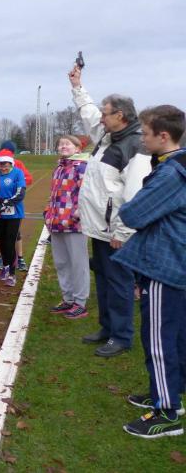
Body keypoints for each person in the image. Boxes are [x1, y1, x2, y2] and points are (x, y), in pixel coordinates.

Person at [108, 105, 186, 438]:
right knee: (176, 336)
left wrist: (130, 207)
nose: (142, 138)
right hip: (175, 262)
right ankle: (170, 393)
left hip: (165, 265)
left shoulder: (171, 173)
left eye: (146, 133)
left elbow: (133, 214)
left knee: (158, 338)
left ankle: (166, 411)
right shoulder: (175, 165)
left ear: (163, 136)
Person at [69, 63, 151, 357]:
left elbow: (135, 195)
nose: (101, 118)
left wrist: (122, 231)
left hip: (116, 232)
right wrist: (78, 87)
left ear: (121, 116)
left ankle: (121, 336)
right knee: (104, 279)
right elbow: (89, 114)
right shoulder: (108, 136)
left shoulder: (135, 146)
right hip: (100, 228)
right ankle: (107, 327)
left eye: (106, 114)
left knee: (119, 283)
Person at [45, 135, 91, 319]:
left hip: (74, 224)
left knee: (78, 263)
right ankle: (68, 298)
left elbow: (86, 193)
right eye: (61, 144)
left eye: (67, 144)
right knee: (62, 263)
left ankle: (80, 302)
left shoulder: (81, 167)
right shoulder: (59, 167)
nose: (63, 146)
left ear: (78, 148)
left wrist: (76, 214)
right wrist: (49, 213)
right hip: (56, 222)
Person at [0, 140, 33, 272]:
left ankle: (18, 259)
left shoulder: (18, 166)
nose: (3, 166)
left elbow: (28, 179)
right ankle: (0, 258)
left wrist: (17, 183)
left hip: (13, 206)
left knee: (13, 235)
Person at [0, 149, 26, 288]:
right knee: (1, 240)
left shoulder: (18, 173)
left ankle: (12, 274)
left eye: (5, 164)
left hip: (14, 214)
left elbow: (20, 193)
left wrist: (5, 202)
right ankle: (6, 267)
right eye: (0, 164)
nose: (3, 167)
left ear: (11, 163)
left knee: (9, 242)